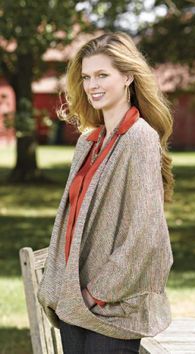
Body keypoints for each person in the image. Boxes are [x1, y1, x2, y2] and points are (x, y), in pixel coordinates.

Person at [37, 31, 174, 354]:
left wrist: (97, 294)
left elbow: (145, 234)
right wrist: (65, 292)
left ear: (127, 76)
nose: (92, 85)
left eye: (102, 75)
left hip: (113, 308)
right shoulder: (88, 143)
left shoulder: (139, 138)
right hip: (74, 304)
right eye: (86, 77)